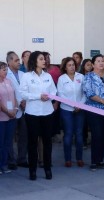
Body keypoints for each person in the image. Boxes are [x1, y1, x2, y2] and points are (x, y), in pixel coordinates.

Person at [19, 51, 57, 180]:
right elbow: (23, 94)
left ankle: (47, 169)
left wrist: (49, 96)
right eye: (41, 59)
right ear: (35, 61)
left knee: (47, 142)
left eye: (44, 59)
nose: (44, 61)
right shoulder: (26, 76)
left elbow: (54, 90)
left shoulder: (48, 76)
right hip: (32, 113)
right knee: (32, 143)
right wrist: (38, 96)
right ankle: (32, 170)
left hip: (47, 113)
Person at [83, 54, 104, 171]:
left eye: (103, 61)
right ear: (93, 64)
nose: (101, 63)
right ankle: (94, 161)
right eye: (98, 61)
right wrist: (103, 101)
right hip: (94, 110)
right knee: (97, 135)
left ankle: (100, 160)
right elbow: (89, 93)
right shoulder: (88, 77)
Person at [57, 57, 86, 167]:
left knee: (79, 134)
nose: (72, 67)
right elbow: (60, 94)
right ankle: (68, 159)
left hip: (80, 110)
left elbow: (84, 93)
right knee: (68, 134)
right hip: (66, 110)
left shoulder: (81, 77)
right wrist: (72, 105)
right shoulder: (61, 79)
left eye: (73, 64)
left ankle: (79, 158)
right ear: (65, 67)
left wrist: (80, 105)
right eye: (69, 65)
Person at [6, 52, 28, 168]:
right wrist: (20, 102)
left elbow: (25, 90)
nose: (19, 62)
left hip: (24, 109)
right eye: (16, 60)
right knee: (10, 137)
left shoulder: (23, 74)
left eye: (19, 60)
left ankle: (22, 159)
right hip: (12, 110)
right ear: (9, 62)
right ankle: (11, 160)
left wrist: (25, 102)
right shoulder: (6, 75)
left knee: (23, 135)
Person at [0, 61, 18, 174]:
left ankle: (4, 165)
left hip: (12, 116)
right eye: (3, 70)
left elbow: (14, 96)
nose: (6, 72)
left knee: (8, 142)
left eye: (6, 69)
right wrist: (7, 111)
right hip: (2, 117)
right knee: (0, 143)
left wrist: (15, 109)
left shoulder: (9, 81)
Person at [79, 58, 93, 149]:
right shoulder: (79, 76)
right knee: (83, 124)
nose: (90, 66)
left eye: (91, 64)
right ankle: (83, 140)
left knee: (91, 123)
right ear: (83, 65)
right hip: (82, 103)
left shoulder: (93, 76)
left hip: (92, 103)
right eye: (88, 65)